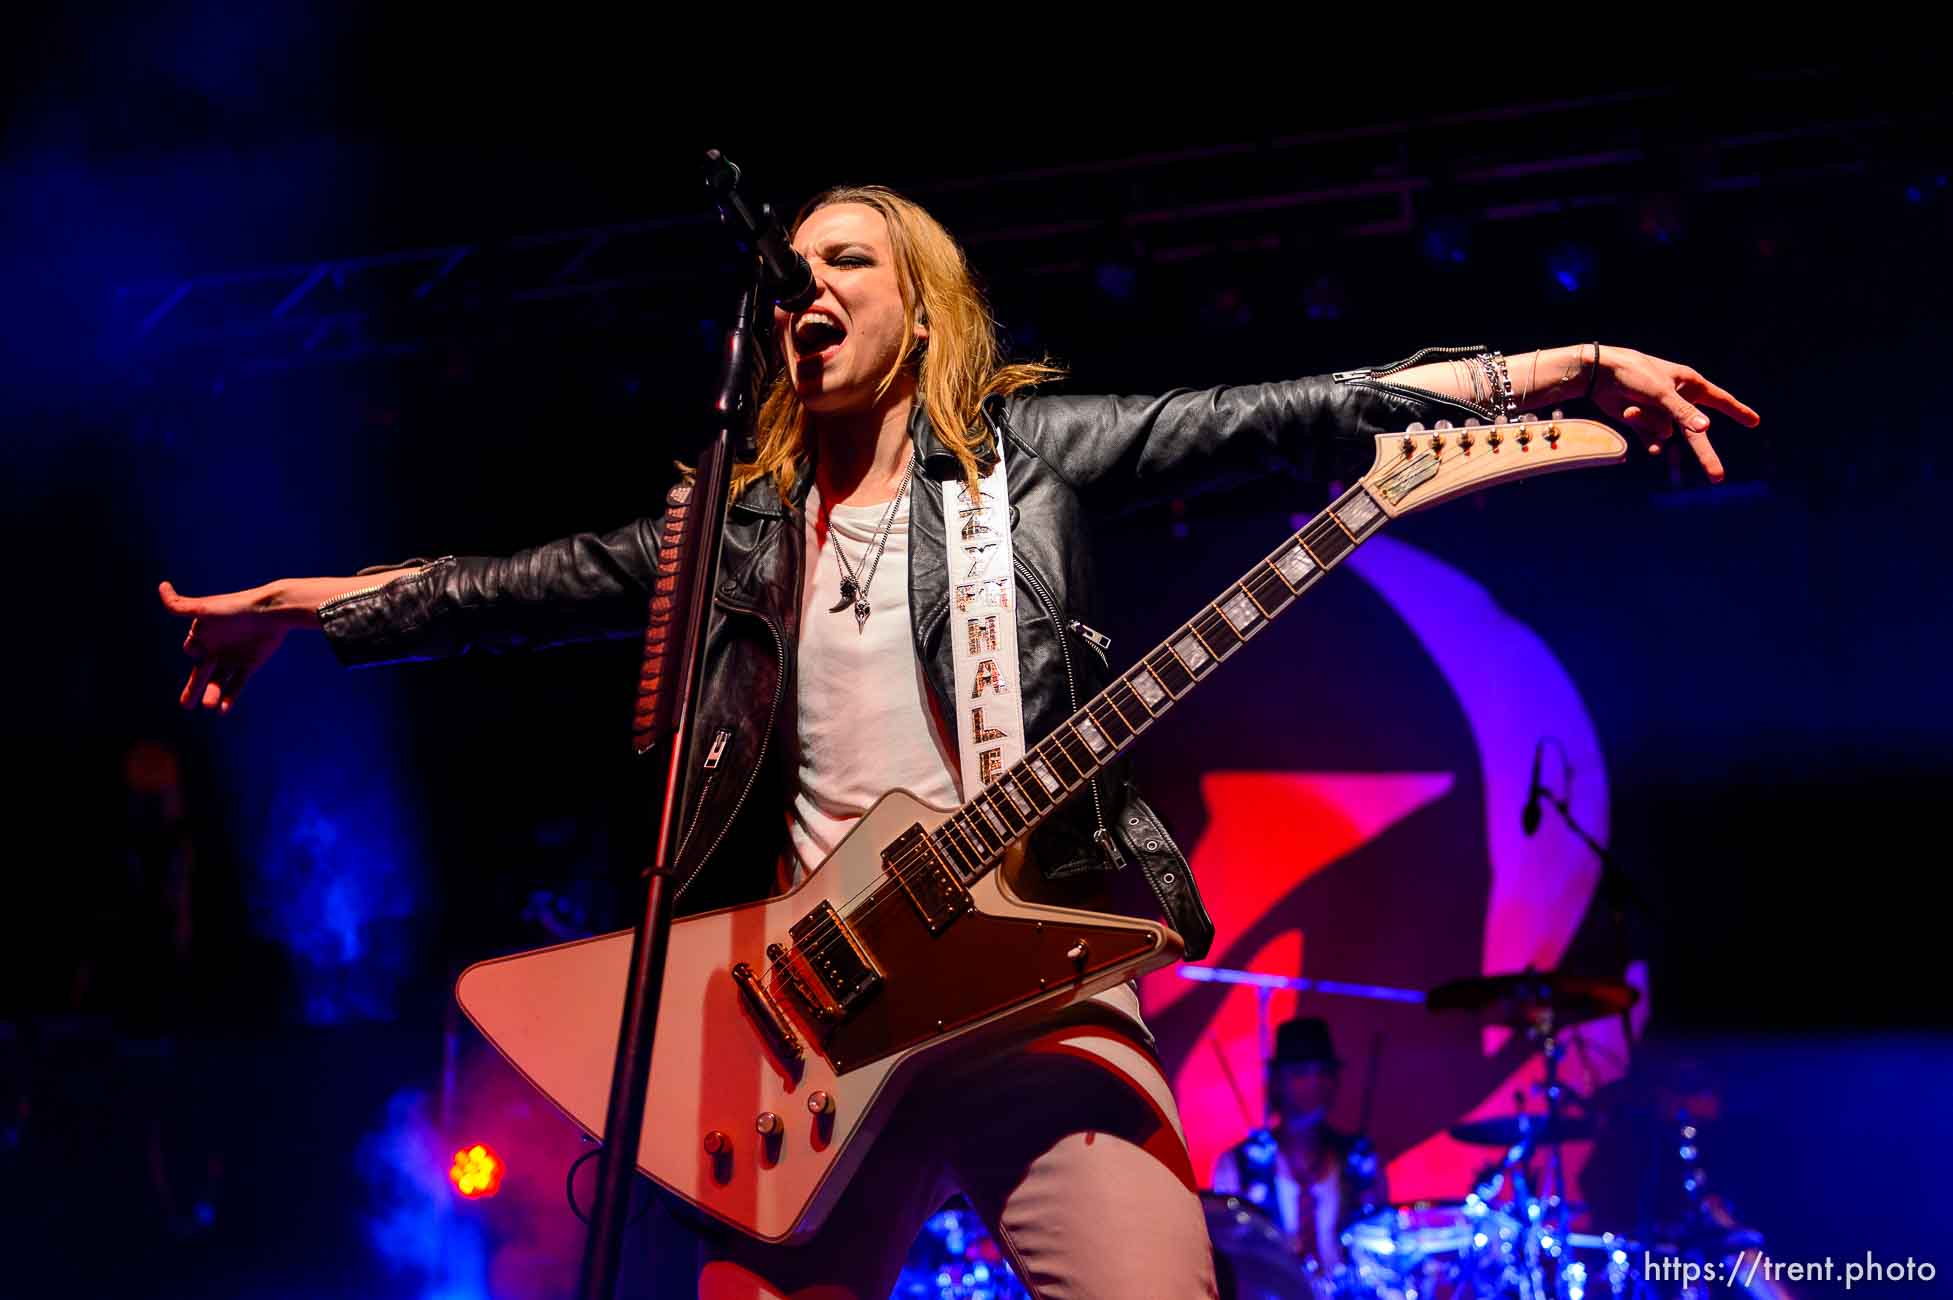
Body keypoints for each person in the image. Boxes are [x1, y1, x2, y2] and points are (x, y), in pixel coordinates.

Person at [158, 184, 1759, 1298]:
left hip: (1027, 1009)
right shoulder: (735, 532)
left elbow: (1295, 404)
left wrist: (1549, 363)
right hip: (797, 1045)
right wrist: (303, 607)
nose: (811, 287)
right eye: (793, 267)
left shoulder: (1031, 465)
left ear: (917, 306)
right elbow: (507, 587)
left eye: (848, 261)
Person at [1210, 1017, 1385, 1273]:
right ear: (1278, 1081)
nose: (1315, 1084)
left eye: (1324, 1073)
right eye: (1301, 1074)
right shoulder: (1238, 1166)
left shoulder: (1361, 1162)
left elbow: (1382, 1246)